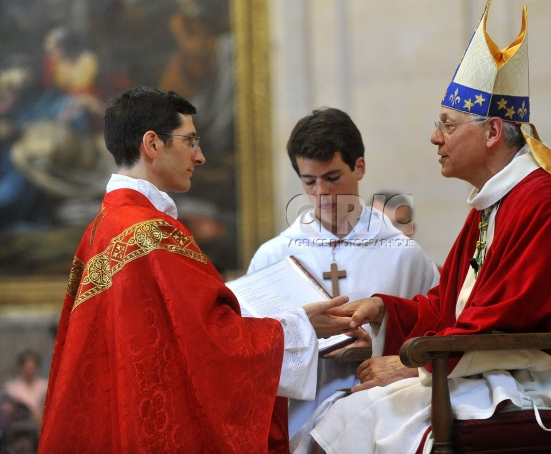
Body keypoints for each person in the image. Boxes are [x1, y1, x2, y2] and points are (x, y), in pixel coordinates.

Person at [308, 0, 551, 454]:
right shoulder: (492, 204)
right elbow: (454, 305)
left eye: (448, 125)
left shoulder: (546, 204)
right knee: (339, 415)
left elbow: (504, 322)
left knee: (365, 417)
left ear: (493, 132)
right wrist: (385, 308)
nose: (435, 137)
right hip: (498, 367)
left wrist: (412, 365)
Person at [38, 86, 353, 453]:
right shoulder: (151, 233)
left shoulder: (102, 228)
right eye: (190, 141)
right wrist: (301, 325)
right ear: (152, 144)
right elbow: (211, 343)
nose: (200, 156)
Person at [247, 107, 439, 449]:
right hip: (296, 421)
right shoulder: (274, 258)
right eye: (309, 181)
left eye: (332, 177)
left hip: (385, 421)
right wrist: (305, 339)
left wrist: (378, 342)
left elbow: (435, 335)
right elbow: (249, 350)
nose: (321, 192)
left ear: (359, 167)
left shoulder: (403, 255)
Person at [3, 351, 47, 422]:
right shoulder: (11, 388)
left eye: (32, 368)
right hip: (20, 425)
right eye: (27, 368)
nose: (29, 371)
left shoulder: (45, 386)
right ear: (21, 368)